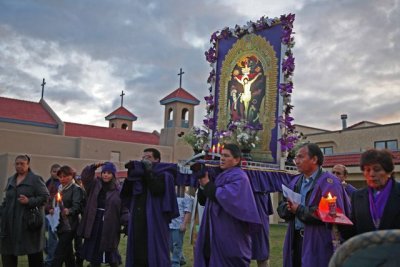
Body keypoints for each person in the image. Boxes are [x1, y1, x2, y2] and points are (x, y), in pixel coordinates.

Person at [277, 143, 350, 267]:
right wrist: (288, 208)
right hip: (295, 239)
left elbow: (330, 213)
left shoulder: (330, 183)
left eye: (301, 157)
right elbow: (281, 207)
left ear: (314, 159)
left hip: (319, 241)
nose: (297, 161)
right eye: (296, 158)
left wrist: (299, 209)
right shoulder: (295, 181)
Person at [194, 143, 262, 267]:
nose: (222, 158)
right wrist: (203, 185)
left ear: (236, 160)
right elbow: (204, 201)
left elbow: (225, 197)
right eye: (221, 155)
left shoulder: (239, 177)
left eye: (226, 156)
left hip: (230, 233)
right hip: (213, 232)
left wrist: (208, 184)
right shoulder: (219, 176)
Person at [121, 148, 179, 267]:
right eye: (143, 157)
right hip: (138, 218)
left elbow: (157, 189)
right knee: (138, 251)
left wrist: (148, 171)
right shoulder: (139, 175)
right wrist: (130, 174)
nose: (144, 160)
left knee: (154, 248)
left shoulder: (165, 174)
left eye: (148, 157)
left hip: (155, 218)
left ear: (157, 159)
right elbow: (126, 194)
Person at [0, 154, 50, 267]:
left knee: (34, 254)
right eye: (17, 164)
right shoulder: (10, 180)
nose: (19, 166)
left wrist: (29, 201)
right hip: (10, 224)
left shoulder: (36, 179)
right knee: (8, 253)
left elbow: (45, 197)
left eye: (22, 164)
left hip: (29, 223)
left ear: (28, 165)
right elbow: (7, 200)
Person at [341, 149, 400, 239]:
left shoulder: (397, 192)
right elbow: (353, 232)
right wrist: (336, 222)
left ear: (389, 171)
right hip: (367, 251)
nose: (371, 174)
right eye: (367, 170)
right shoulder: (357, 196)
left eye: (377, 169)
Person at [78, 162, 128, 267]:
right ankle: (94, 264)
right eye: (104, 172)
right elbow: (85, 177)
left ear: (113, 175)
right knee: (94, 246)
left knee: (110, 248)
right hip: (94, 221)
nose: (105, 175)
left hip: (110, 223)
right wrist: (93, 167)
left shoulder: (118, 190)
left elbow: (124, 208)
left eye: (109, 173)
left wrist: (127, 222)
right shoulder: (94, 185)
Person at [52, 165, 84, 267]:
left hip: (70, 225)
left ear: (71, 176)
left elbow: (77, 206)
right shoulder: (60, 188)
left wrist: (69, 211)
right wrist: (54, 209)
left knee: (59, 253)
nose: (62, 179)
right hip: (60, 223)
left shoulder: (76, 189)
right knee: (68, 254)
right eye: (60, 177)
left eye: (65, 176)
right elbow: (57, 203)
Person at [169, 187, 193, 267]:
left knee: (177, 245)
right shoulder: (169, 196)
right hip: (169, 225)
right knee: (170, 245)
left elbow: (188, 212)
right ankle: (181, 259)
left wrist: (184, 224)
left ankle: (175, 264)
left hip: (179, 226)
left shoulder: (186, 197)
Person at [44, 163, 61, 267]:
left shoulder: (61, 184)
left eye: (58, 172)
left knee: (52, 238)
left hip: (55, 215)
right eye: (54, 171)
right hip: (46, 213)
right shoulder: (48, 182)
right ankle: (51, 254)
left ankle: (50, 261)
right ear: (50, 172)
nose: (56, 174)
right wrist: (48, 208)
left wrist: (53, 209)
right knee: (38, 235)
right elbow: (44, 197)